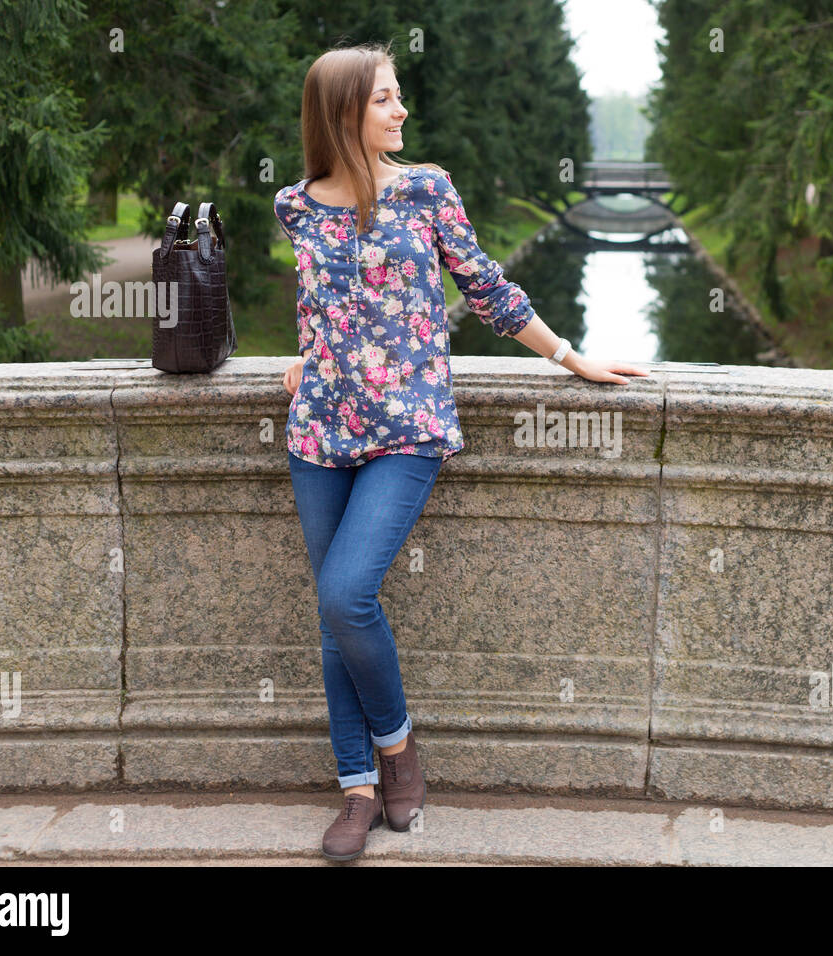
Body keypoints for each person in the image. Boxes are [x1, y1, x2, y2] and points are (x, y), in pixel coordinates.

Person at [276, 44, 648, 862]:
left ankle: (399, 746)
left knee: (346, 594)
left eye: (398, 96)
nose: (401, 110)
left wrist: (570, 356)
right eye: (384, 100)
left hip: (407, 429)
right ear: (342, 113)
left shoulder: (426, 191)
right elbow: (318, 300)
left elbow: (484, 287)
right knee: (334, 618)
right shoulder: (296, 205)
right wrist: (310, 351)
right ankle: (356, 790)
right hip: (319, 432)